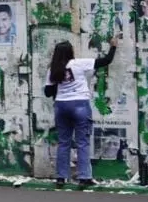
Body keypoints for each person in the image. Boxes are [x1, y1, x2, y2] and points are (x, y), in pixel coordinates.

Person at [47, 38, 117, 189]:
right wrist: (113, 47)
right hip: (79, 104)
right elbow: (106, 60)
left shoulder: (53, 68)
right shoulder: (78, 63)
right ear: (70, 52)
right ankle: (84, 177)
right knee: (82, 142)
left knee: (64, 142)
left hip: (61, 105)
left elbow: (47, 92)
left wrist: (60, 85)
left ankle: (61, 177)